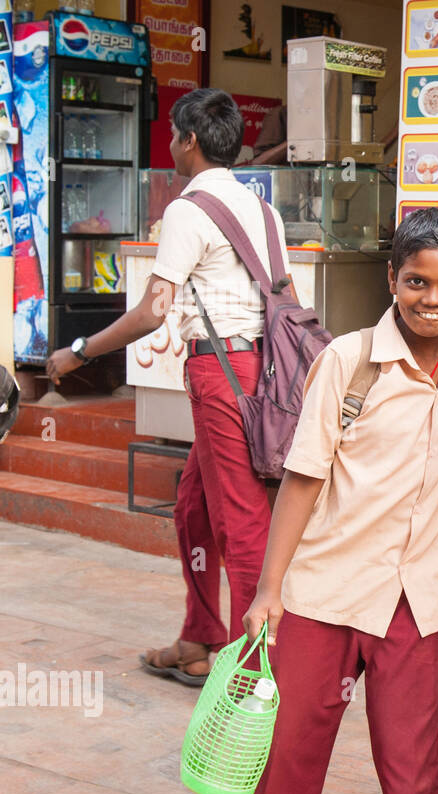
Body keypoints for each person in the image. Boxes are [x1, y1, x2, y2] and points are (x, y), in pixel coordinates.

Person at [231, 208, 438, 794]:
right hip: (324, 591)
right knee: (285, 761)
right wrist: (269, 590)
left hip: (420, 601)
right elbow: (302, 481)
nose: (433, 299)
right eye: (417, 282)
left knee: (416, 776)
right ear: (391, 279)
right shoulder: (348, 362)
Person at [45, 88, 285, 685]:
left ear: (191, 140)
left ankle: (251, 671)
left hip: (222, 374)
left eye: (177, 135)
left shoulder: (188, 208)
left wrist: (79, 352)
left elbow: (153, 311)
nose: (174, 145)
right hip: (257, 370)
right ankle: (199, 638)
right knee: (193, 508)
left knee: (243, 521)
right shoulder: (262, 207)